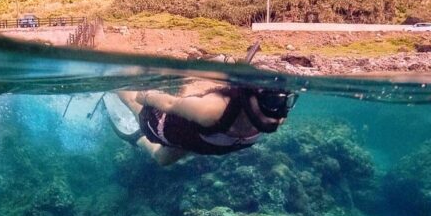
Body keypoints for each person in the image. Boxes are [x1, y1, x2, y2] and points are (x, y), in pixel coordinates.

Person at [108, 46, 297, 166]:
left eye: (288, 103)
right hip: (163, 125)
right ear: (249, 95)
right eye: (273, 103)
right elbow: (170, 103)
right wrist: (146, 97)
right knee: (134, 102)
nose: (281, 116)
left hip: (195, 139)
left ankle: (135, 139)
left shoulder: (274, 116)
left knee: (162, 160)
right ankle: (113, 84)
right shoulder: (212, 111)